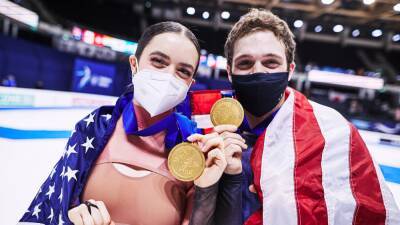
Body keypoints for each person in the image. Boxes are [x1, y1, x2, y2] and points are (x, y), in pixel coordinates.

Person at [19, 21, 242, 225]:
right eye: (158, 61)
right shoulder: (94, 129)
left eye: (182, 71)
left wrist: (206, 188)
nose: (168, 76)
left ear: (190, 84)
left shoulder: (197, 149)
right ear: (134, 65)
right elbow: (51, 211)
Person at [213, 8, 400, 225]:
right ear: (229, 71)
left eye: (271, 62)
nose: (258, 71)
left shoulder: (334, 133)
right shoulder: (206, 126)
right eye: (245, 63)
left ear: (290, 70)